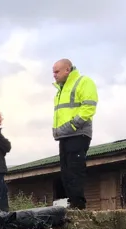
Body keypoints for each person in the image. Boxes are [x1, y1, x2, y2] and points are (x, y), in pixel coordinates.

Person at [52, 59, 98, 210]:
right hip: (64, 135)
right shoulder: (61, 89)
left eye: (57, 71)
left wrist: (72, 125)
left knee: (75, 169)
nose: (54, 75)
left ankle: (78, 205)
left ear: (67, 69)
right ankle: (73, 203)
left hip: (78, 134)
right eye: (53, 72)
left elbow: (89, 108)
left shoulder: (83, 82)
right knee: (65, 172)